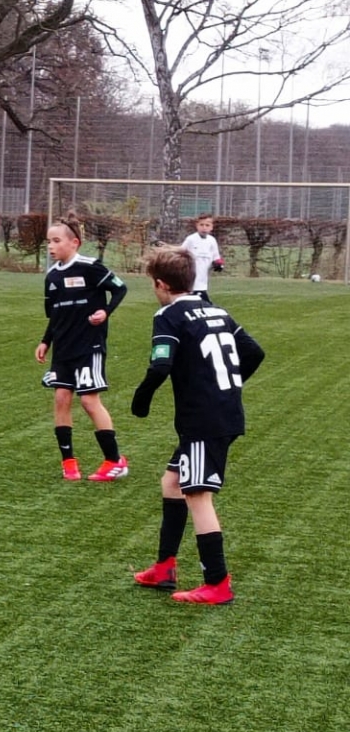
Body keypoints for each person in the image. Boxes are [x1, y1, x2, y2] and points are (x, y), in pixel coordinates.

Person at [129, 245, 264, 605]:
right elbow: (254, 352)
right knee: (172, 482)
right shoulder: (216, 310)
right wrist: (227, 386)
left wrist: (141, 398)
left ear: (160, 284)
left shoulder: (169, 315)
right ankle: (164, 568)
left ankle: (217, 583)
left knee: (197, 495)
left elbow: (160, 365)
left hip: (204, 420)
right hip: (219, 413)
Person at [37, 215, 129, 481]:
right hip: (63, 349)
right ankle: (69, 462)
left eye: (56, 241)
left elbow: (120, 289)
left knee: (89, 401)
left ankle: (115, 461)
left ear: (74, 242)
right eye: (49, 241)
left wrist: (106, 311)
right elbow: (55, 315)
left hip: (89, 345)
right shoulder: (52, 277)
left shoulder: (90, 267)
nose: (51, 246)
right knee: (61, 398)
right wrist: (45, 341)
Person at [182, 214, 223, 300]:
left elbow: (216, 257)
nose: (204, 228)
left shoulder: (212, 240)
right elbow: (180, 253)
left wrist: (218, 265)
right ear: (197, 226)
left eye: (207, 225)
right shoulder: (191, 239)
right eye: (201, 225)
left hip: (203, 281)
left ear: (211, 227)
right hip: (190, 281)